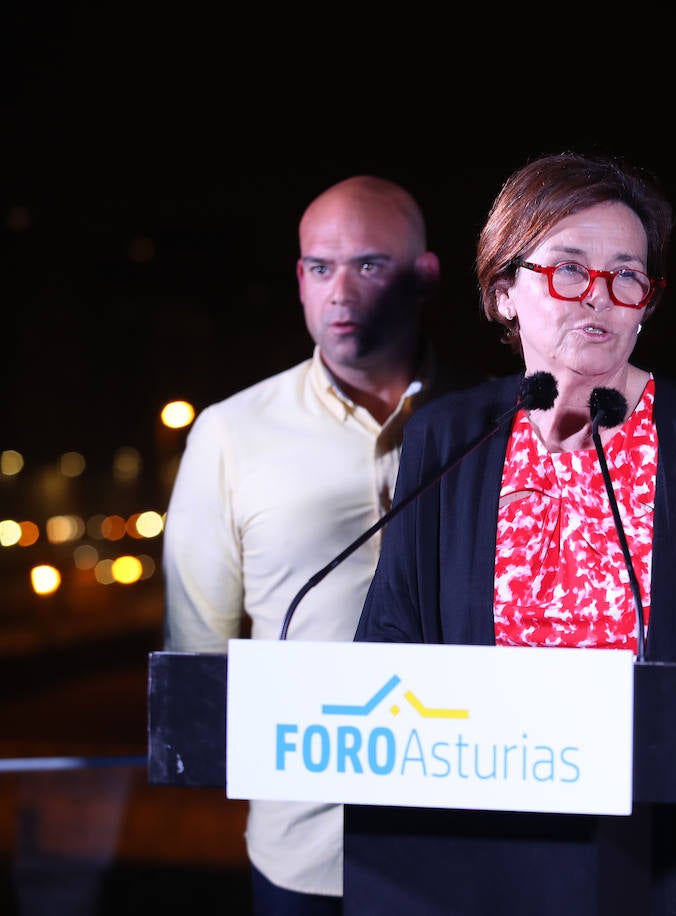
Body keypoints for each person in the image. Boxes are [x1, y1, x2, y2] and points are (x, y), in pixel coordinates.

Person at [351, 151, 676, 915]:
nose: (599, 297)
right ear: (503, 292)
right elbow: (391, 635)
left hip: (656, 854)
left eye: (627, 276)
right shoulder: (447, 435)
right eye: (568, 269)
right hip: (473, 859)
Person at [162, 175, 465, 914]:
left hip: (469, 839)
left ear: (424, 277)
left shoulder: (493, 420)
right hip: (304, 853)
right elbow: (196, 655)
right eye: (320, 268)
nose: (339, 291)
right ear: (298, 280)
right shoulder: (231, 433)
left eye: (368, 265)